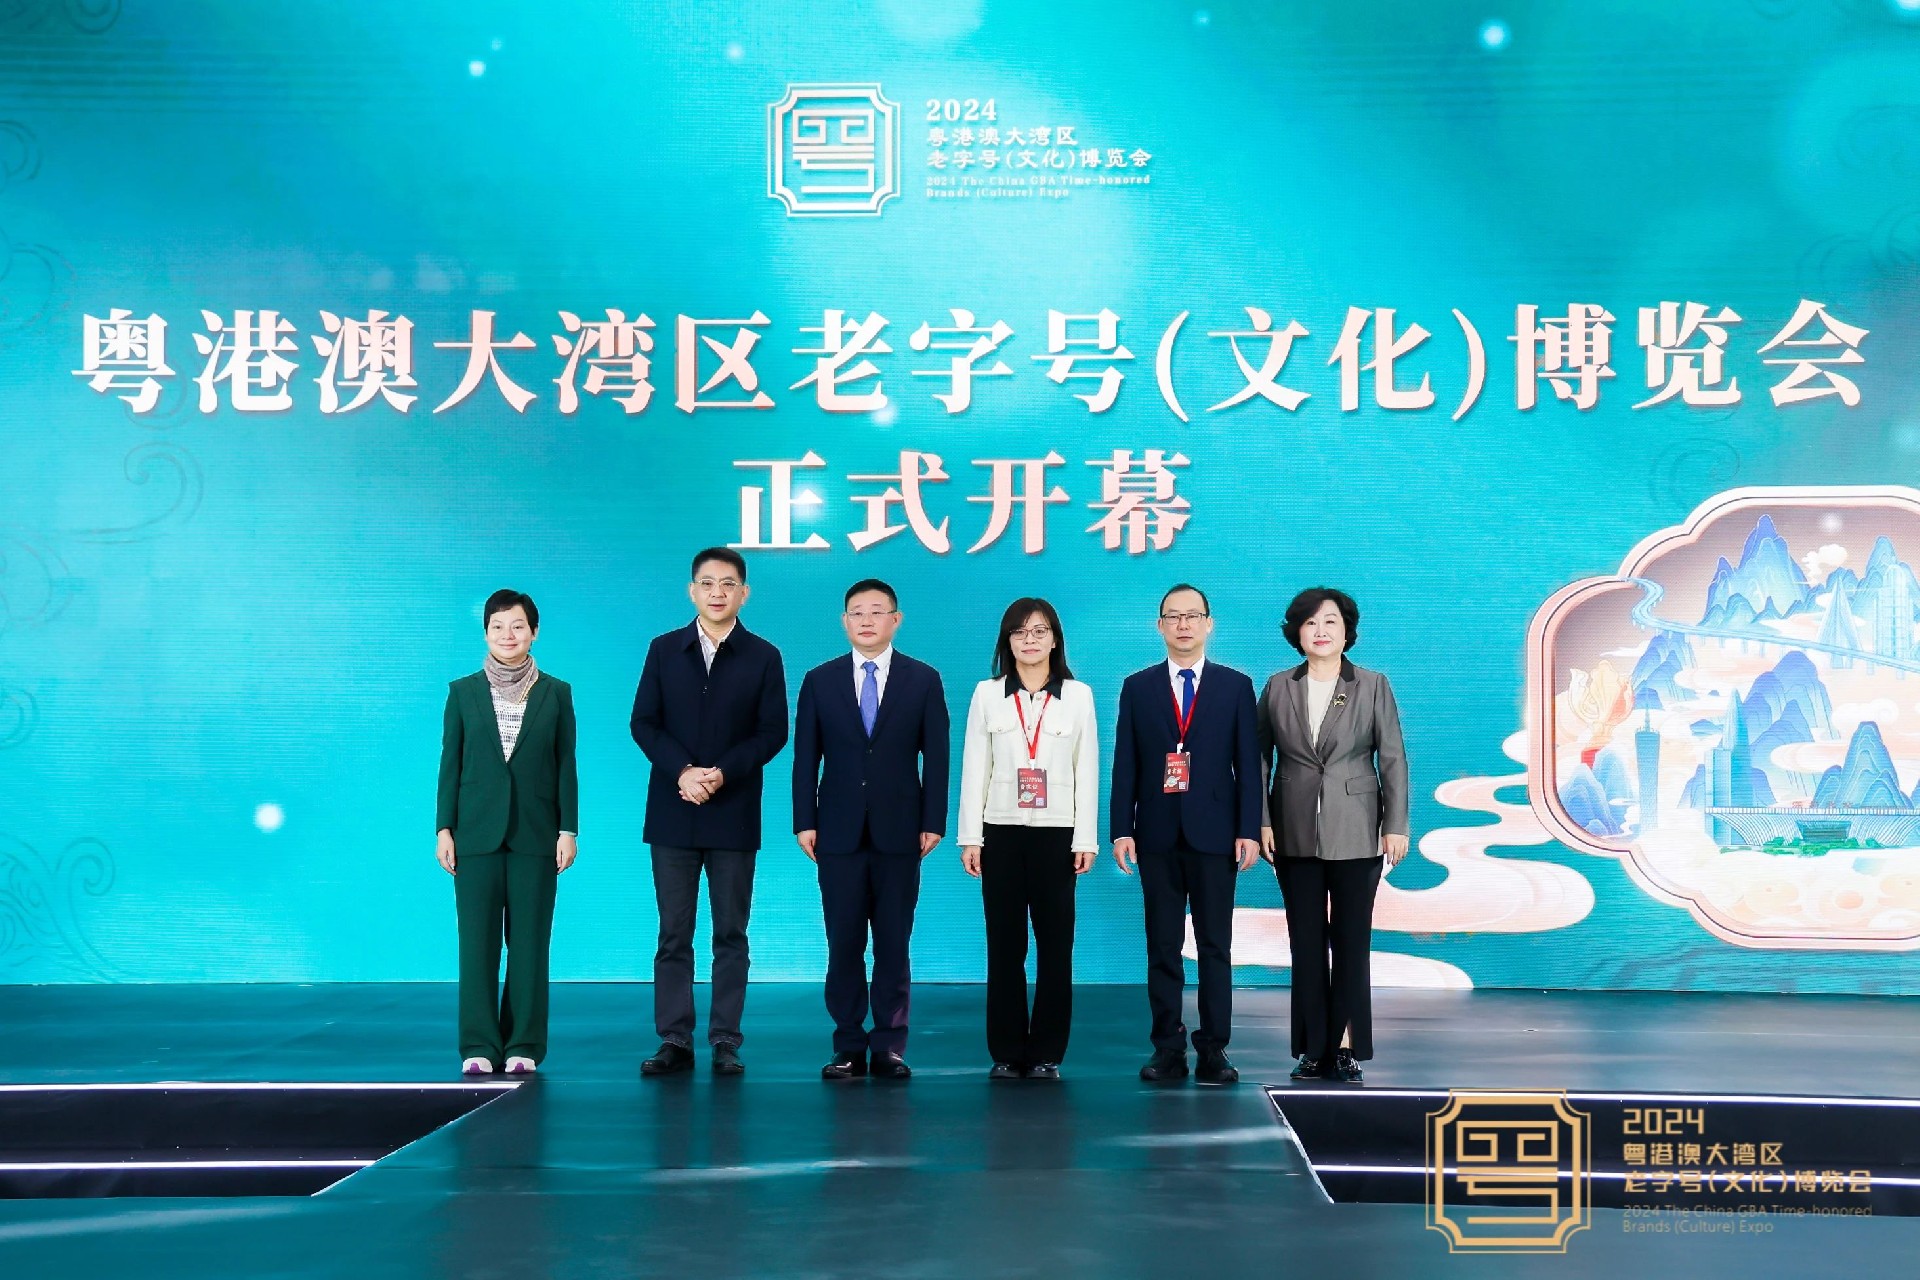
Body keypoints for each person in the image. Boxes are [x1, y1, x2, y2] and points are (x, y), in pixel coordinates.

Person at [629, 547, 789, 1077]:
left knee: (730, 933)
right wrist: (682, 772)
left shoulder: (764, 656)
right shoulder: (662, 650)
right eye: (707, 583)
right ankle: (674, 1037)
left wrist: (722, 773)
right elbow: (644, 722)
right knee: (673, 933)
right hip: (673, 810)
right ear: (691, 590)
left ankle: (725, 1039)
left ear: (745, 593)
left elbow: (773, 731)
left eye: (728, 584)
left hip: (733, 811)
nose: (717, 592)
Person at [792, 579, 949, 1081]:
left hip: (901, 831)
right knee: (843, 942)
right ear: (844, 622)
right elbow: (805, 758)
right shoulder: (819, 680)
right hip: (835, 832)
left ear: (895, 620)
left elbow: (937, 756)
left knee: (893, 943)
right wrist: (804, 821)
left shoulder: (923, 679)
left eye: (876, 611)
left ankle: (889, 1045)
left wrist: (933, 821)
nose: (866, 620)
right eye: (856, 612)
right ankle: (847, 1044)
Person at [1110, 584, 1262, 1085]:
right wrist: (1121, 829)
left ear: (1208, 624)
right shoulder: (1138, 687)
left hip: (1216, 835)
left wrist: (1248, 829)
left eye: (1192, 616)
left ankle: (1214, 1049)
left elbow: (1248, 764)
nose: (1183, 625)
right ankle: (1167, 1048)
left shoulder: (1235, 686)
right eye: (1173, 616)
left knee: (1215, 947)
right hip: (1155, 834)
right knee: (1162, 946)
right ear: (1159, 626)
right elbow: (1126, 763)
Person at [1256, 588, 1409, 1084]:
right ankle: (1312, 1048)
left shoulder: (1372, 685)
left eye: (1331, 623)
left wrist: (1396, 824)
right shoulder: (1278, 686)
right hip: (1292, 830)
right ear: (1296, 633)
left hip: (1358, 829)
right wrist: (1261, 820)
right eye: (1310, 623)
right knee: (1305, 944)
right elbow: (1258, 759)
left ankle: (1344, 1046)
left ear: (1347, 632)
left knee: (1350, 942)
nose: (1320, 632)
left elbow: (1392, 758)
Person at [436, 589, 579, 1076]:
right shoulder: (463, 692)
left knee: (530, 944)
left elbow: (565, 765)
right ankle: (478, 1044)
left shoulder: (557, 693)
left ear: (534, 632)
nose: (507, 635)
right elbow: (450, 765)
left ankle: (524, 1044)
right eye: (497, 626)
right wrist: (444, 828)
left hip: (536, 835)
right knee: (476, 945)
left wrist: (567, 829)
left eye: (518, 626)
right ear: (485, 633)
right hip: (474, 834)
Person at [957, 598, 1099, 1081]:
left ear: (1055, 639)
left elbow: (1087, 768)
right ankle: (1006, 1049)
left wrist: (1085, 838)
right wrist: (970, 837)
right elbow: (975, 767)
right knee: (1004, 944)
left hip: (1058, 836)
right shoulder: (987, 694)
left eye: (1040, 631)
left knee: (1056, 947)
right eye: (1020, 632)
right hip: (1000, 833)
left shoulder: (1078, 696)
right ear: (1007, 641)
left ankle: (1047, 1053)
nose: (1030, 640)